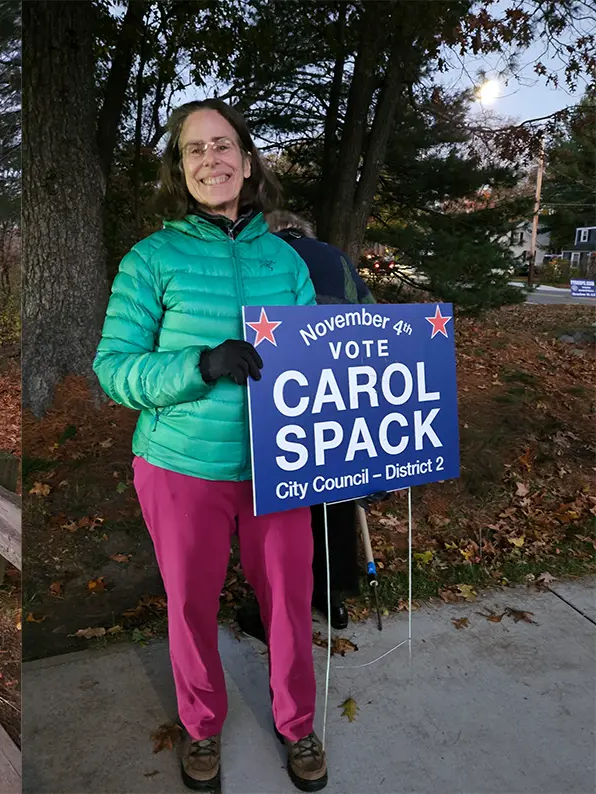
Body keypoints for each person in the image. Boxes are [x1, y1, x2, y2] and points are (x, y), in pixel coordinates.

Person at [93, 99, 326, 792]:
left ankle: (298, 723)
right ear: (181, 170)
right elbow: (113, 370)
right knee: (190, 603)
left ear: (247, 162)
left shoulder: (287, 262)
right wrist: (198, 366)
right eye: (195, 150)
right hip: (181, 466)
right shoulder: (151, 259)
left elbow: (323, 368)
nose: (211, 159)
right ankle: (201, 726)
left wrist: (348, 449)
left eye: (223, 146)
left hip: (275, 465)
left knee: (289, 599)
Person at [267, 210, 374, 630]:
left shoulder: (266, 255)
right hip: (339, 388)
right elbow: (370, 314)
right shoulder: (335, 258)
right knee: (335, 495)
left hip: (284, 391)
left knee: (287, 502)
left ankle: (281, 598)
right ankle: (332, 595)